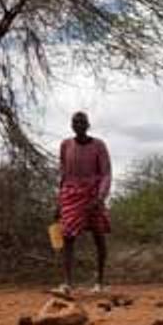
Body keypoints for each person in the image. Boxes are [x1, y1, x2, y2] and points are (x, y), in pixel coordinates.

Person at [55, 111, 111, 294]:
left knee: (98, 236)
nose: (78, 124)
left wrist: (100, 197)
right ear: (71, 125)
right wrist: (59, 201)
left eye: (81, 122)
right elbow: (63, 174)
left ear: (88, 125)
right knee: (67, 237)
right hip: (70, 194)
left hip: (93, 194)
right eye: (74, 122)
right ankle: (67, 283)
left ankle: (100, 282)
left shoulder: (98, 145)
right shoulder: (65, 145)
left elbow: (106, 173)